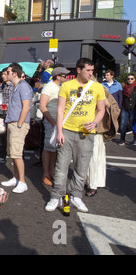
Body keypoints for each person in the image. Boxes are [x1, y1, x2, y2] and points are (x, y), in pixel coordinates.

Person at [45, 58, 105, 213]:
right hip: (67, 131)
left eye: (93, 70)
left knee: (82, 167)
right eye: (88, 70)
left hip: (87, 133)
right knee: (61, 167)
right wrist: (59, 131)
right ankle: (56, 196)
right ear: (79, 70)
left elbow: (101, 110)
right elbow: (60, 110)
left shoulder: (97, 87)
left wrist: (95, 123)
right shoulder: (66, 86)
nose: (91, 73)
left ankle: (76, 196)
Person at [0, 63, 33, 194]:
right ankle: (16, 178)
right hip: (12, 122)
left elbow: (26, 106)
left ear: (14, 73)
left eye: (8, 72)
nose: (5, 74)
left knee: (17, 154)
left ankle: (22, 182)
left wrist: (19, 123)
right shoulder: (16, 86)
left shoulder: (23, 86)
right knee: (13, 152)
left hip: (17, 124)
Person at [38, 67, 70, 186]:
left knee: (55, 148)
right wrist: (51, 121)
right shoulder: (49, 87)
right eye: (64, 76)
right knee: (48, 147)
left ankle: (51, 171)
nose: (66, 78)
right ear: (58, 76)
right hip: (51, 120)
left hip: (58, 121)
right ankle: (46, 173)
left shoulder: (60, 87)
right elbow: (42, 106)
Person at [85, 86, 119, 197]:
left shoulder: (102, 89)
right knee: (84, 158)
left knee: (95, 159)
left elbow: (115, 108)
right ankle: (87, 181)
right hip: (83, 128)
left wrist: (107, 104)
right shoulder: (81, 88)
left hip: (97, 130)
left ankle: (93, 184)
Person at [0, 68, 14, 164]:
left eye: (5, 74)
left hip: (10, 114)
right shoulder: (6, 85)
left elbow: (12, 101)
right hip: (6, 114)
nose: (3, 76)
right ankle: (3, 155)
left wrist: (5, 106)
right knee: (5, 137)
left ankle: (8, 156)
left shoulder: (11, 86)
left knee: (8, 137)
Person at [118, 73, 136, 146]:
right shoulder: (124, 87)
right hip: (125, 108)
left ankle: (135, 139)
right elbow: (122, 98)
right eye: (128, 78)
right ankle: (122, 140)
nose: (130, 80)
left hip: (133, 109)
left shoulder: (135, 87)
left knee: (132, 125)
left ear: (134, 79)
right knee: (122, 124)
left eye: (132, 79)